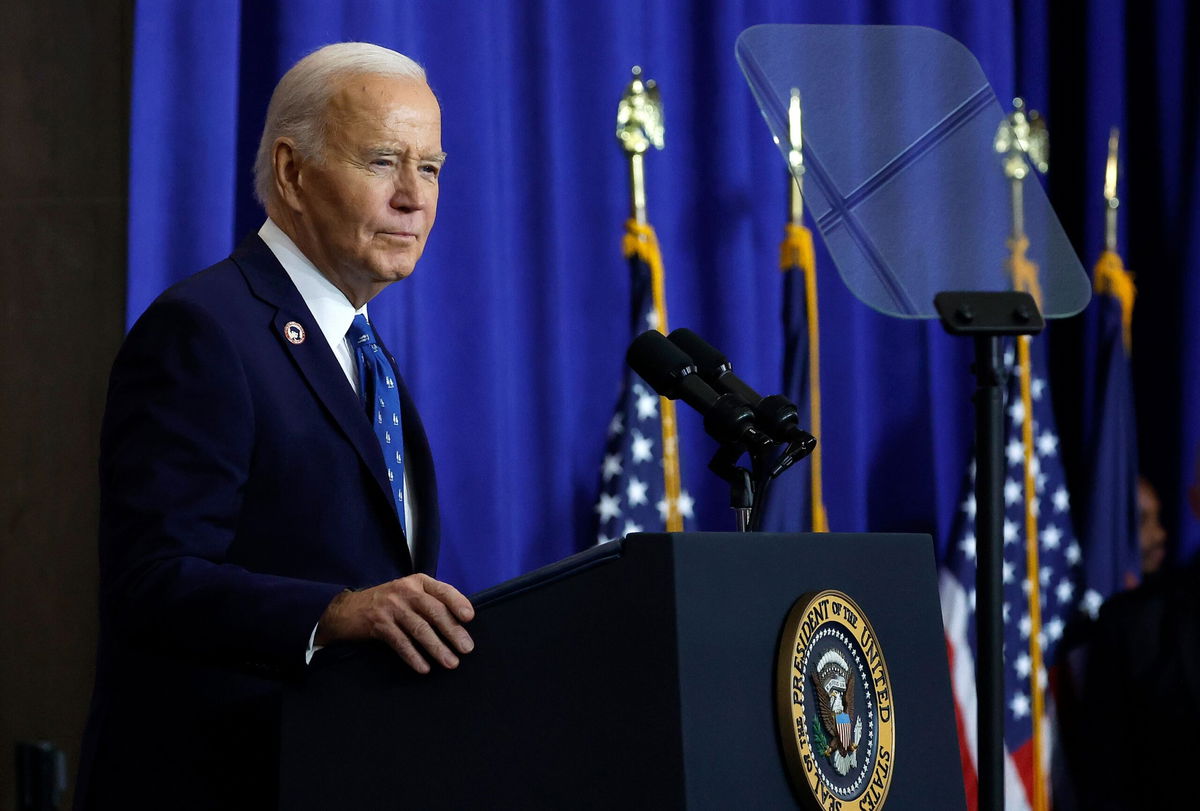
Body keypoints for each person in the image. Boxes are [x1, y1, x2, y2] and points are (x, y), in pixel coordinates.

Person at [75, 43, 474, 810]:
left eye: (430, 168)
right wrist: (331, 611)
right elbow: (148, 580)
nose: (412, 197)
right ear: (292, 172)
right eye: (384, 160)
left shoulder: (366, 355)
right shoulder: (204, 331)